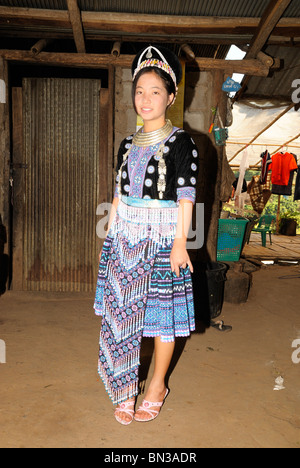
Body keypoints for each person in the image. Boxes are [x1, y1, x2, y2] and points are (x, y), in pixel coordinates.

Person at [94, 45, 199, 425]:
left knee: (160, 318)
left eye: (155, 91)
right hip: (125, 238)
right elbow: (119, 192)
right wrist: (111, 232)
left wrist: (178, 245)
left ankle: (156, 386)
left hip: (161, 240)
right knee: (122, 316)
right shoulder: (127, 144)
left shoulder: (182, 143)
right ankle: (124, 387)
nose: (146, 98)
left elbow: (187, 197)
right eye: (140, 91)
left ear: (171, 97)